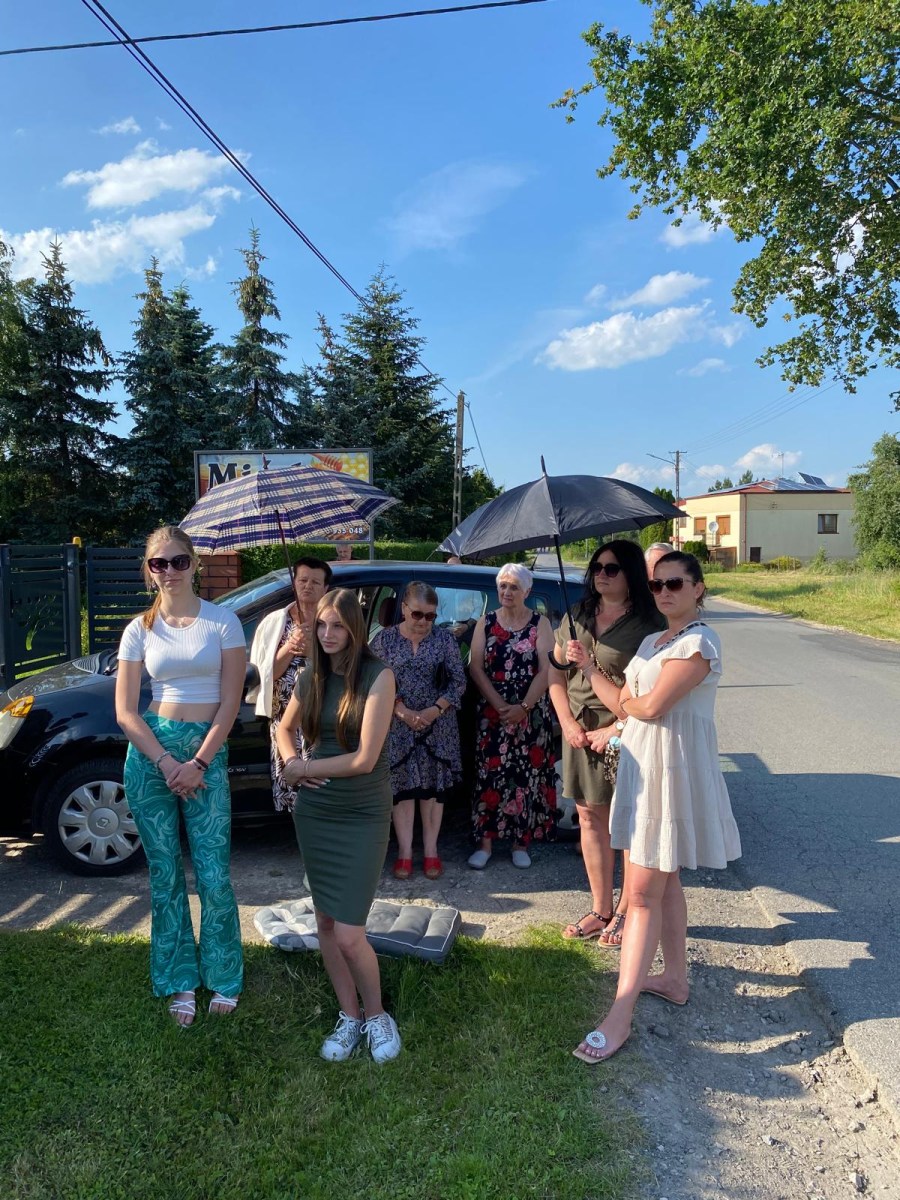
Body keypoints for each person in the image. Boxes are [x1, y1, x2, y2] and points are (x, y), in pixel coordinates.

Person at [572, 552, 741, 1063]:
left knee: (642, 895)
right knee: (666, 885)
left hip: (673, 776)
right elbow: (621, 702)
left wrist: (629, 706)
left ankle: (619, 1017)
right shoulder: (652, 642)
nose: (664, 591)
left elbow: (649, 705)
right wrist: (589, 667)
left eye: (675, 583)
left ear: (698, 588)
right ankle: (674, 979)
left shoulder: (700, 642)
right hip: (644, 771)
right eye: (657, 585)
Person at [115, 525, 246, 1026]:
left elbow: (230, 702)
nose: (169, 571)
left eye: (178, 561)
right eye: (159, 563)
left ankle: (224, 974)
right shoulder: (139, 629)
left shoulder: (222, 622)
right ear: (148, 571)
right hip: (151, 757)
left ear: (195, 563)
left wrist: (199, 763)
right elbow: (126, 712)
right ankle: (179, 979)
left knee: (213, 875)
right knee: (165, 874)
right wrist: (168, 763)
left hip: (205, 755)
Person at [275, 589, 401, 1063]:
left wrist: (302, 769)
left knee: (349, 932)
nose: (328, 634)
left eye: (338, 626)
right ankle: (349, 1015)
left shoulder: (378, 675)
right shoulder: (311, 675)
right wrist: (290, 761)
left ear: (355, 629)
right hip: (316, 813)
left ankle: (377, 1015)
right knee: (325, 921)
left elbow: (366, 759)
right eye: (322, 625)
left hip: (363, 811)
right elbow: (283, 728)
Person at [549, 541, 664, 945]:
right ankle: (601, 909)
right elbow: (555, 673)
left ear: (630, 573)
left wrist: (616, 727)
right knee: (588, 818)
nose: (601, 574)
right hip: (579, 733)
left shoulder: (650, 623)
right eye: (597, 567)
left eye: (611, 568)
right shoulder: (577, 614)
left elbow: (654, 692)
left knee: (629, 824)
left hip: (628, 733)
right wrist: (566, 722)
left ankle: (627, 911)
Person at [371, 582, 466, 880]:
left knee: (432, 790)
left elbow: (459, 681)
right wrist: (400, 710)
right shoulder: (384, 640)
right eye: (417, 614)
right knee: (402, 790)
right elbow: (371, 680)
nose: (424, 621)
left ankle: (431, 851)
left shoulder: (444, 639)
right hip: (396, 725)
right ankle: (404, 853)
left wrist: (434, 710)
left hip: (437, 726)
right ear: (403, 609)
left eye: (430, 616)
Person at [468, 563, 557, 869]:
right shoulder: (486, 622)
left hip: (530, 713)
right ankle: (485, 844)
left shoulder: (540, 624)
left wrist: (523, 707)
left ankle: (521, 843)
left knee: (525, 776)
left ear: (527, 592)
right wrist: (499, 705)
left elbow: (547, 669)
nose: (507, 592)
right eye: (503, 586)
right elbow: (475, 667)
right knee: (488, 775)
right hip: (492, 713)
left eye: (514, 587)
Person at [248, 556, 332, 811]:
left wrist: (312, 652)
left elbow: (343, 668)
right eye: (303, 580)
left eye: (315, 582)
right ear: (294, 583)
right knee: (292, 787)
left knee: (323, 786)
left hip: (322, 716)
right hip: (285, 719)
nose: (308, 586)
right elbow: (265, 675)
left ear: (326, 588)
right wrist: (290, 646)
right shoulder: (275, 622)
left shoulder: (331, 623)